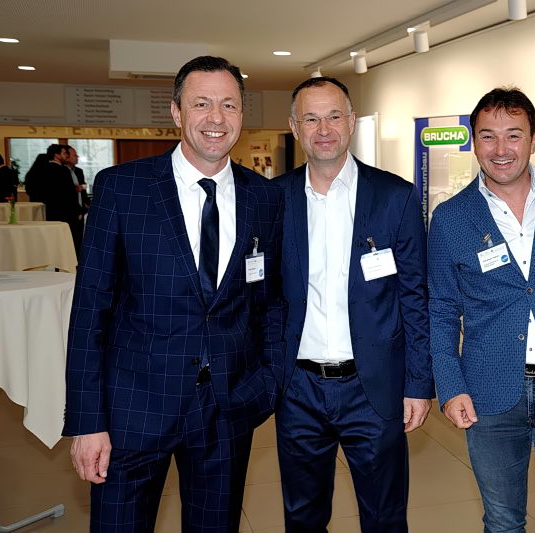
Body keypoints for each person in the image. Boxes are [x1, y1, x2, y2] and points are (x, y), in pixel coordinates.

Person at [63, 55, 285, 532]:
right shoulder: (123, 189)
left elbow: (269, 304)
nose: (216, 117)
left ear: (242, 114)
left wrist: (267, 384)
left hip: (226, 409)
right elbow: (90, 310)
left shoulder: (265, 197)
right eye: (201, 103)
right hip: (132, 409)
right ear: (177, 112)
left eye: (229, 105)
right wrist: (87, 420)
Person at [428, 87, 535, 532]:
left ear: (533, 138)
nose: (501, 149)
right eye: (488, 136)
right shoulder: (450, 218)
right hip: (488, 391)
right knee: (503, 521)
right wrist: (450, 386)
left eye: (513, 135)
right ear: (474, 142)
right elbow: (441, 309)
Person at [273, 76, 433, 532]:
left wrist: (418, 383)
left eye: (334, 116)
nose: (324, 129)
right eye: (311, 119)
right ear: (295, 127)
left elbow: (415, 296)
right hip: (298, 388)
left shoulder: (395, 196)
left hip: (374, 388)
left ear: (352, 121)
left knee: (384, 517)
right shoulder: (273, 198)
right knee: (302, 517)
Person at [61, 145, 90, 255]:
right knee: (69, 239)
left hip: (81, 209)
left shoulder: (78, 171)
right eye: (74, 155)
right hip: (67, 210)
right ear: (67, 156)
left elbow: (83, 189)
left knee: (79, 237)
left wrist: (86, 204)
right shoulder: (61, 171)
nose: (77, 157)